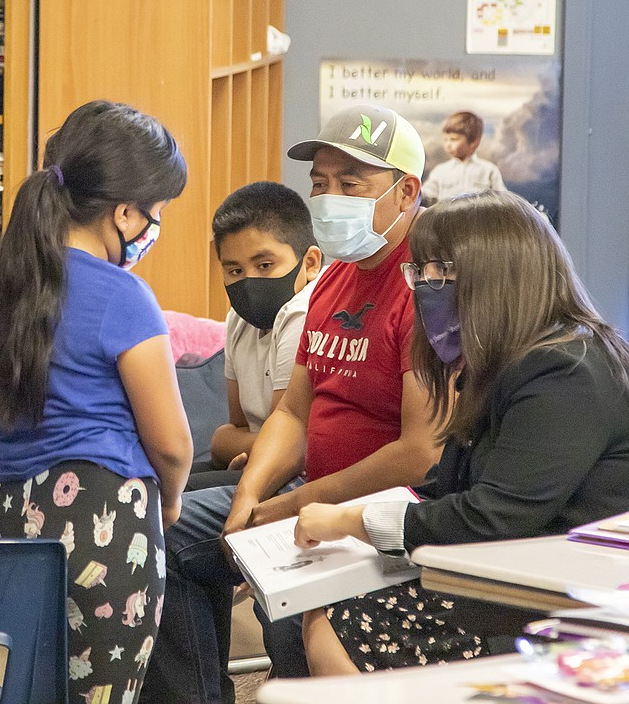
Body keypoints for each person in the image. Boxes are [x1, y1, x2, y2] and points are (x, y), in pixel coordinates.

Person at [140, 104, 442, 703]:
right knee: (163, 536)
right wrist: (252, 494)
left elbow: (419, 454)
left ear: (406, 191)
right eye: (320, 184)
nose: (328, 199)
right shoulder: (333, 278)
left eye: (349, 185)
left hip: (380, 511)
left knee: (295, 631)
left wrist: (289, 506)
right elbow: (292, 413)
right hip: (302, 491)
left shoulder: (428, 288)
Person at [295, 190, 629, 674]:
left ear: (498, 278)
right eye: (422, 272)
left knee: (339, 625)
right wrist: (350, 520)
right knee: (315, 604)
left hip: (560, 600)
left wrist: (354, 521)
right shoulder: (508, 361)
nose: (425, 288)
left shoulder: (566, 369)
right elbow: (451, 483)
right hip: (506, 572)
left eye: (441, 273)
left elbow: (497, 515)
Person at [0, 100, 193, 703]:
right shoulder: (125, 297)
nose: (153, 229)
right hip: (108, 524)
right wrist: (169, 504)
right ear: (123, 212)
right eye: (156, 213)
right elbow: (170, 443)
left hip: (14, 519)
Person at [185, 182, 322, 492]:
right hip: (250, 463)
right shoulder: (239, 319)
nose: (248, 282)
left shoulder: (304, 312)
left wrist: (225, 441)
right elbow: (239, 425)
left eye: (264, 265)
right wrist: (227, 441)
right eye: (234, 271)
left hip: (296, 479)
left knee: (169, 509)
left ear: (310, 263)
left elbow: (284, 449)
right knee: (156, 487)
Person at [423, 111, 506, 203]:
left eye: (454, 139)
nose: (448, 145)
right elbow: (426, 195)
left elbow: (502, 201)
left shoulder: (489, 170)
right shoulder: (440, 171)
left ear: (474, 142)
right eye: (446, 140)